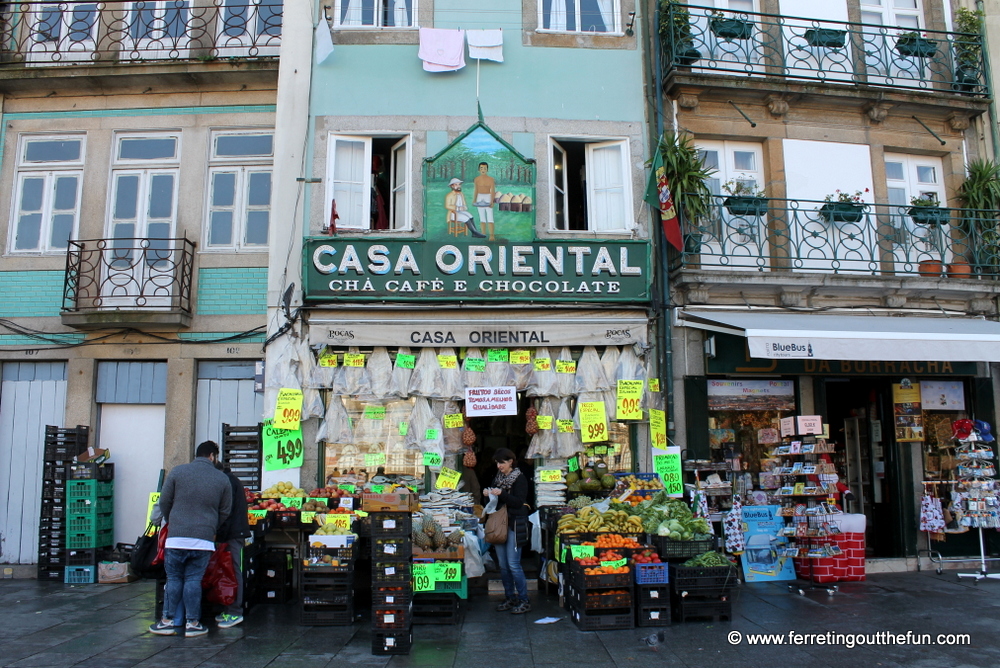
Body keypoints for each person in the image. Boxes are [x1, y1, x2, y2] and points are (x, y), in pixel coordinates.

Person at [148, 441, 232, 637]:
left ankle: (167, 621)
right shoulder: (221, 479)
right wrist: (212, 525)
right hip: (203, 540)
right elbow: (225, 510)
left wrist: (174, 520)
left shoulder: (178, 472)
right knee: (194, 580)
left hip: (176, 538)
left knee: (174, 579)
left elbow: (164, 501)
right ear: (212, 456)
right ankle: (193, 623)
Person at [484, 447, 531, 614]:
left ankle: (524, 599)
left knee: (513, 564)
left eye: (501, 462)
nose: (499, 466)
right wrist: (488, 494)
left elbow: (518, 502)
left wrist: (501, 494)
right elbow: (495, 502)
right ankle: (510, 597)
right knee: (503, 565)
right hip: (499, 526)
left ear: (510, 461)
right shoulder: (497, 478)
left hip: (514, 525)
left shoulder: (520, 478)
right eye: (497, 463)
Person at [214, 461, 250, 629]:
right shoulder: (231, 480)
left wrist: (219, 534)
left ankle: (235, 612)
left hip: (232, 535)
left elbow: (226, 512)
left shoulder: (227, 482)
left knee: (232, 571)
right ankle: (229, 609)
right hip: (234, 533)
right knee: (229, 571)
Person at [472, 162, 496, 240]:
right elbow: (476, 190)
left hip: (488, 196)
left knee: (490, 216)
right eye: (481, 168)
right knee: (482, 217)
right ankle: (483, 233)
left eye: (485, 168)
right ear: (479, 169)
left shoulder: (491, 179)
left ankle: (492, 235)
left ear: (487, 170)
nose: (483, 170)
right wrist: (474, 200)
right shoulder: (476, 179)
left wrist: (492, 201)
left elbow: (492, 190)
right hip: (479, 197)